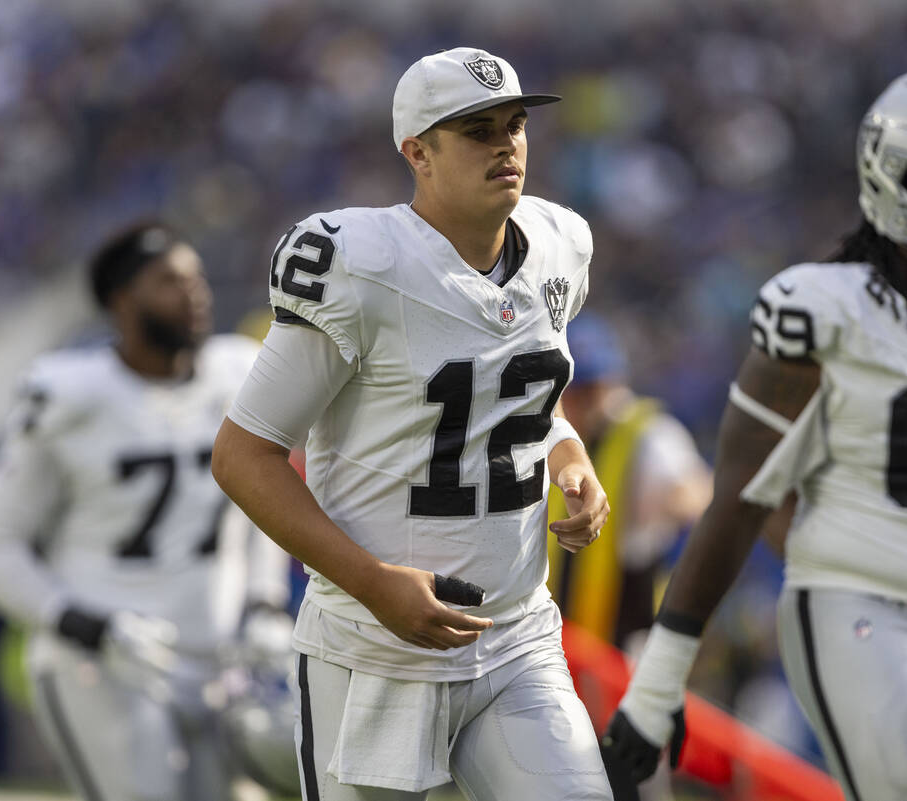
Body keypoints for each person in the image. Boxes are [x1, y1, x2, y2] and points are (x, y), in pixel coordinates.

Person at [602, 68, 907, 801]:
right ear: (893, 177)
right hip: (866, 608)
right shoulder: (824, 312)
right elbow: (743, 500)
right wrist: (660, 677)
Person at [212, 46, 614, 801]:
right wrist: (372, 583)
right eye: (476, 130)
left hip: (517, 639)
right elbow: (243, 455)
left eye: (515, 125)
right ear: (417, 152)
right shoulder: (359, 263)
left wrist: (569, 461)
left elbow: (519, 402)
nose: (505, 144)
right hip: (374, 652)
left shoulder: (560, 244)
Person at [0, 221, 296, 801]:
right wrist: (84, 623)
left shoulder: (237, 373)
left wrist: (264, 601)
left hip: (220, 660)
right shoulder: (70, 395)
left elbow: (263, 504)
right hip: (107, 662)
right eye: (168, 281)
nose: (194, 293)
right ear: (121, 301)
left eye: (196, 277)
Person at [548, 311, 711, 653]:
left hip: (618, 657)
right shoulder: (550, 438)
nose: (579, 404)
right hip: (556, 646)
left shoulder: (647, 438)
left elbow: (695, 492)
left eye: (591, 390)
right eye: (574, 392)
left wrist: (683, 500)